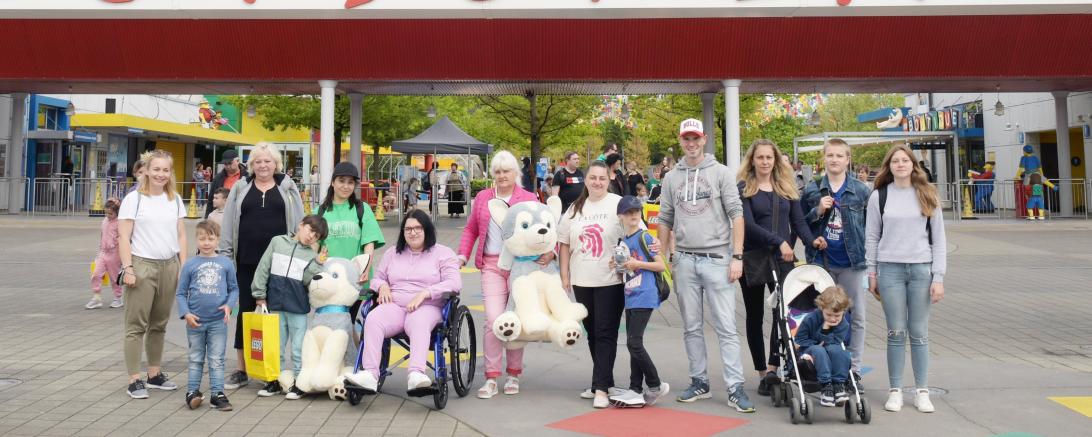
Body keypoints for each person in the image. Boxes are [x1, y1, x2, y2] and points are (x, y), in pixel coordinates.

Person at [658, 118, 754, 413]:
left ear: (704, 139)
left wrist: (737, 256)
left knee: (726, 326)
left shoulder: (722, 173)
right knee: (691, 326)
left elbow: (737, 215)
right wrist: (662, 259)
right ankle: (699, 381)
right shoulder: (671, 178)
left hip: (717, 259)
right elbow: (665, 218)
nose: (691, 143)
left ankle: (735, 387)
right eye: (686, 139)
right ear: (681, 140)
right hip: (685, 260)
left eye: (695, 138)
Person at [737, 139, 825, 397]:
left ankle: (774, 367)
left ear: (776, 160)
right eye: (760, 157)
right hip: (753, 257)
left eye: (769, 157)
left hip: (782, 259)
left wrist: (812, 241)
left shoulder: (786, 187)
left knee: (784, 313)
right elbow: (748, 225)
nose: (765, 162)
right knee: (754, 315)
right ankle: (762, 372)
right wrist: (779, 241)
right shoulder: (744, 188)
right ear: (752, 160)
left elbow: (798, 221)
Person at [865, 144, 947, 413]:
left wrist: (938, 277)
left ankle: (922, 391)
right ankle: (895, 390)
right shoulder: (879, 196)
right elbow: (872, 237)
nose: (900, 165)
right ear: (888, 167)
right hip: (890, 271)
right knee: (896, 332)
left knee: (919, 333)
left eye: (905, 160)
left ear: (914, 164)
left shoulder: (927, 193)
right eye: (895, 161)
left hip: (921, 270)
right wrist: (872, 272)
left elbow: (939, 240)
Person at [345, 209, 462, 393]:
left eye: (418, 228)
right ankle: (370, 374)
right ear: (403, 232)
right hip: (396, 306)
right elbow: (378, 278)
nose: (413, 232)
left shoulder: (443, 253)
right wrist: (382, 286)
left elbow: (454, 283)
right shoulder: (393, 253)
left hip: (428, 306)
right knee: (374, 318)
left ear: (427, 230)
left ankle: (416, 374)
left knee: (418, 320)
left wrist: (426, 293)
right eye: (408, 229)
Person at [219, 142, 305, 391]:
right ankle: (242, 369)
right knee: (246, 314)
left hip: (280, 264)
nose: (263, 165)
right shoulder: (240, 187)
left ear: (276, 163)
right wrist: (226, 256)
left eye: (268, 161)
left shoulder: (288, 187)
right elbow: (228, 223)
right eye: (258, 161)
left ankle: (273, 369)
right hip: (246, 260)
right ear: (251, 165)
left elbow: (299, 222)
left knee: (277, 316)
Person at [457, 150, 541, 398]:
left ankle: (513, 374)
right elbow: (471, 229)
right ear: (493, 174)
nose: (502, 176)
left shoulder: (528, 198)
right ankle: (492, 377)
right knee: (494, 320)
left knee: (516, 319)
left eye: (507, 171)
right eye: (498, 172)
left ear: (516, 173)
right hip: (492, 265)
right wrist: (462, 254)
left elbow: (545, 227)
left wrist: (551, 252)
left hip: (521, 265)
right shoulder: (483, 198)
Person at [801, 138, 871, 388]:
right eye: (830, 155)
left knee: (857, 316)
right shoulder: (812, 190)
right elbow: (801, 225)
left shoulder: (861, 190)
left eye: (839, 156)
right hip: (824, 262)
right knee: (823, 315)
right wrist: (818, 210)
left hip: (853, 263)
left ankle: (854, 369)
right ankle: (825, 365)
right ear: (824, 158)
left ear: (847, 159)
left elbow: (870, 227)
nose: (834, 160)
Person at [117, 150, 188, 399]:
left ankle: (154, 374)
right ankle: (134, 379)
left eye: (165, 170)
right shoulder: (134, 199)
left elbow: (180, 235)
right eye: (156, 169)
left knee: (159, 324)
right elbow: (123, 236)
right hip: (142, 265)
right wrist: (128, 269)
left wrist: (183, 267)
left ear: (171, 173)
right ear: (146, 170)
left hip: (169, 266)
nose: (160, 174)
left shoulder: (175, 199)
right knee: (136, 325)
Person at [558, 160, 625, 409]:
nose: (597, 182)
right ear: (586, 180)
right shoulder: (576, 207)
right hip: (581, 279)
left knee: (606, 332)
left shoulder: (618, 203)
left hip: (610, 281)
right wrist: (565, 276)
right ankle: (604, 380)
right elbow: (563, 242)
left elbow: (635, 230)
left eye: (602, 178)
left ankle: (600, 388)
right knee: (593, 334)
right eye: (593, 177)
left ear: (609, 180)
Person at [252, 215, 328, 399]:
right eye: (310, 230)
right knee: (274, 345)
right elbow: (263, 267)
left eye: (316, 236)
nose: (311, 237)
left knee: (298, 347)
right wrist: (259, 294)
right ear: (301, 225)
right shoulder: (277, 242)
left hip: (297, 307)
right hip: (275, 304)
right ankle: (273, 381)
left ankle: (299, 382)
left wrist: (317, 263)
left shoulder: (311, 255)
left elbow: (306, 280)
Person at [607, 196, 670, 408]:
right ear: (620, 216)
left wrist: (637, 263)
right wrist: (618, 266)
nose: (633, 215)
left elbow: (661, 266)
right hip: (631, 295)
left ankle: (655, 384)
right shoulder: (623, 242)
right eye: (628, 212)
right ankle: (635, 388)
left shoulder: (646, 238)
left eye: (636, 211)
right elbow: (625, 271)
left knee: (634, 343)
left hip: (645, 294)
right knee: (635, 343)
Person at [176, 220, 239, 411]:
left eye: (211, 238)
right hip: (194, 321)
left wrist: (229, 306)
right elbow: (180, 293)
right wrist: (185, 313)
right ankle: (192, 392)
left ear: (218, 240)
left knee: (216, 359)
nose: (206, 243)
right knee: (195, 358)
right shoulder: (190, 264)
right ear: (196, 240)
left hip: (218, 322)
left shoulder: (226, 263)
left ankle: (217, 394)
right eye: (202, 238)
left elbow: (234, 289)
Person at [317, 161, 385, 333]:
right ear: (333, 182)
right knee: (334, 325)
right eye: (341, 181)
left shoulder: (362, 209)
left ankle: (354, 357)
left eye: (350, 182)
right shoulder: (320, 211)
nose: (346, 186)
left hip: (356, 281)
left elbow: (369, 244)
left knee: (348, 321)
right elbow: (312, 246)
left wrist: (365, 269)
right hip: (330, 281)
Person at [794, 286, 853, 408]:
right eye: (829, 315)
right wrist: (824, 330)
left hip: (829, 351)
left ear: (844, 311)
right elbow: (800, 340)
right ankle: (826, 386)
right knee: (819, 350)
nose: (833, 319)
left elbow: (834, 343)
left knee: (840, 351)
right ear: (821, 308)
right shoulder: (810, 319)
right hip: (809, 351)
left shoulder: (843, 324)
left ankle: (838, 384)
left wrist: (825, 335)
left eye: (837, 316)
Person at [87, 198, 123, 310]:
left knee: (114, 277)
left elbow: (123, 239)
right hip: (103, 252)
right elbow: (102, 237)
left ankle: (118, 298)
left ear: (117, 212)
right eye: (106, 212)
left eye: (111, 213)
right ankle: (96, 297)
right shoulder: (104, 221)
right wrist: (98, 253)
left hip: (115, 254)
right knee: (96, 274)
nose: (108, 215)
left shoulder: (120, 223)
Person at [205, 149, 245, 218]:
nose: (228, 166)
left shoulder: (247, 177)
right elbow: (211, 199)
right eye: (225, 164)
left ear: (238, 161)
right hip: (221, 216)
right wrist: (207, 218)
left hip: (242, 215)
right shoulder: (217, 178)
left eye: (230, 163)